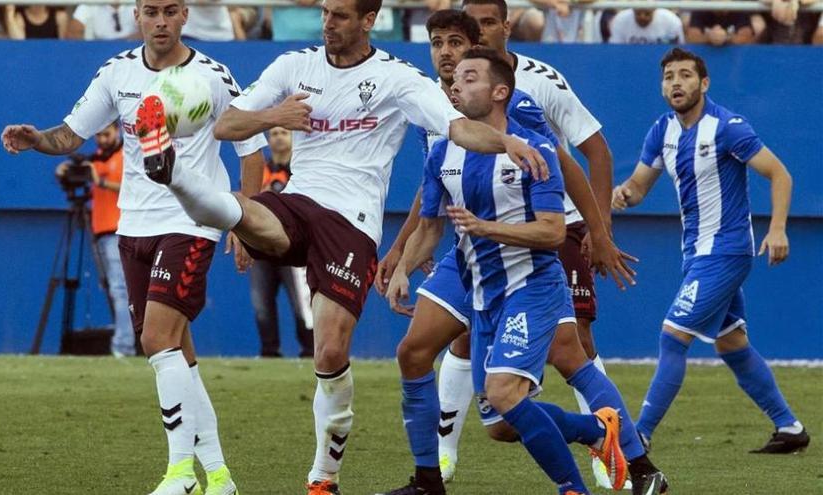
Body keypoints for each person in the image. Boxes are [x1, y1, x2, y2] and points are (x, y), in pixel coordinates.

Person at [139, 0, 547, 491]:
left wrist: (507, 142)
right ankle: (173, 171)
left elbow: (458, 127)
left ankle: (323, 476)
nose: (328, 23)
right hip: (299, 200)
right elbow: (226, 124)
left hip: (352, 222)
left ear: (368, 20)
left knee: (330, 352)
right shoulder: (295, 66)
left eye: (340, 16)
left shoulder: (398, 79)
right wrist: (277, 115)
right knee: (248, 211)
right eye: (325, 13)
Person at [374, 11, 666, 495]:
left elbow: (565, 164)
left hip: (534, 247)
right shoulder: (431, 103)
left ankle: (634, 462)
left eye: (457, 45)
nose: (446, 54)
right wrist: (401, 254)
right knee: (421, 356)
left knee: (569, 353)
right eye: (437, 44)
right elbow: (434, 199)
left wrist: (598, 230)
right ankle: (431, 475)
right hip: (469, 257)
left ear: (480, 52)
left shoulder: (520, 103)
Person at [0, 0, 268, 492]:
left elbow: (252, 152)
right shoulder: (117, 72)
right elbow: (70, 134)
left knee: (155, 341)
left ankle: (179, 473)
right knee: (176, 355)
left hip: (192, 222)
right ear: (137, 16)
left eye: (170, 11)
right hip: (133, 225)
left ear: (185, 15)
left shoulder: (212, 75)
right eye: (151, 11)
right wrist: (37, 138)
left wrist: (244, 221)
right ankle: (220, 475)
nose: (160, 21)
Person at [613, 47, 810, 455]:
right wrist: (622, 194)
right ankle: (789, 427)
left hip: (727, 251)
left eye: (685, 75)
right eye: (669, 76)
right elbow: (638, 187)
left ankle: (638, 435)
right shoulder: (661, 131)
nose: (676, 83)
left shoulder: (726, 127)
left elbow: (780, 174)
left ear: (704, 83)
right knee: (731, 343)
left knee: (672, 338)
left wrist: (777, 230)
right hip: (696, 254)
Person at [55, 122, 134, 357]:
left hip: (119, 230)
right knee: (111, 287)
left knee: (120, 289)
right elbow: (84, 181)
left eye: (106, 134)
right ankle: (124, 339)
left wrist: (99, 181)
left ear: (117, 131)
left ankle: (124, 346)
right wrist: (66, 172)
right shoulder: (96, 159)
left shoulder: (126, 155)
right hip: (99, 230)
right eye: (98, 135)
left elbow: (132, 187)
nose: (101, 139)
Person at [249, 127, 314, 358]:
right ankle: (269, 352)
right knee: (261, 302)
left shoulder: (301, 170)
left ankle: (309, 350)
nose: (278, 137)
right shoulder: (259, 171)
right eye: (274, 133)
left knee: (302, 302)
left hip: (291, 243)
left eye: (283, 133)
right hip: (262, 245)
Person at [608, 7, 684, 44]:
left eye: (647, 13)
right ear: (633, 10)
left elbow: (678, 52)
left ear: (654, 9)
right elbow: (615, 51)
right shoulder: (620, 20)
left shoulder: (671, 20)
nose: (642, 17)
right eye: (638, 14)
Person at [686, 9, 754, 46]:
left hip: (735, 58)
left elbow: (747, 39)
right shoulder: (701, 9)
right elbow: (691, 38)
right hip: (705, 58)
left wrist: (727, 37)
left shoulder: (740, 9)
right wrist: (708, 37)